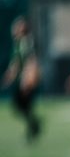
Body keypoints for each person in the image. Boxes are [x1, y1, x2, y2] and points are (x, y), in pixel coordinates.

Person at [3, 16, 41, 144]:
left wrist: (27, 80)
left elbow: (31, 61)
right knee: (21, 106)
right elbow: (16, 63)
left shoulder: (26, 42)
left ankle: (32, 130)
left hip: (28, 81)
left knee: (22, 105)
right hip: (23, 80)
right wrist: (10, 76)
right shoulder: (19, 43)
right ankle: (34, 126)